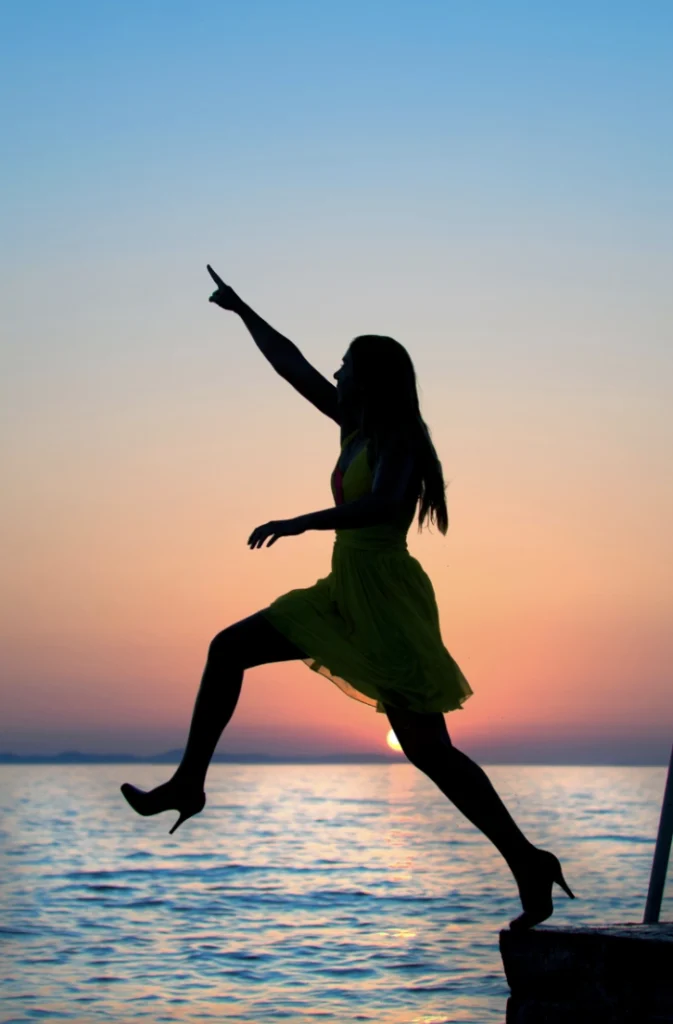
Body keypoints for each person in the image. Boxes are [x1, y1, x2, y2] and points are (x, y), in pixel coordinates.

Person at [121, 265, 575, 931]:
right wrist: (243, 310)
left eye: (345, 366)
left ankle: (525, 859)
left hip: (385, 597)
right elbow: (293, 367)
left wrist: (302, 521)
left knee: (429, 751)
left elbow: (385, 503)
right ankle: (189, 783)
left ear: (371, 378)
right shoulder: (354, 429)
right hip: (342, 588)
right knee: (229, 649)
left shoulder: (402, 442)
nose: (334, 374)